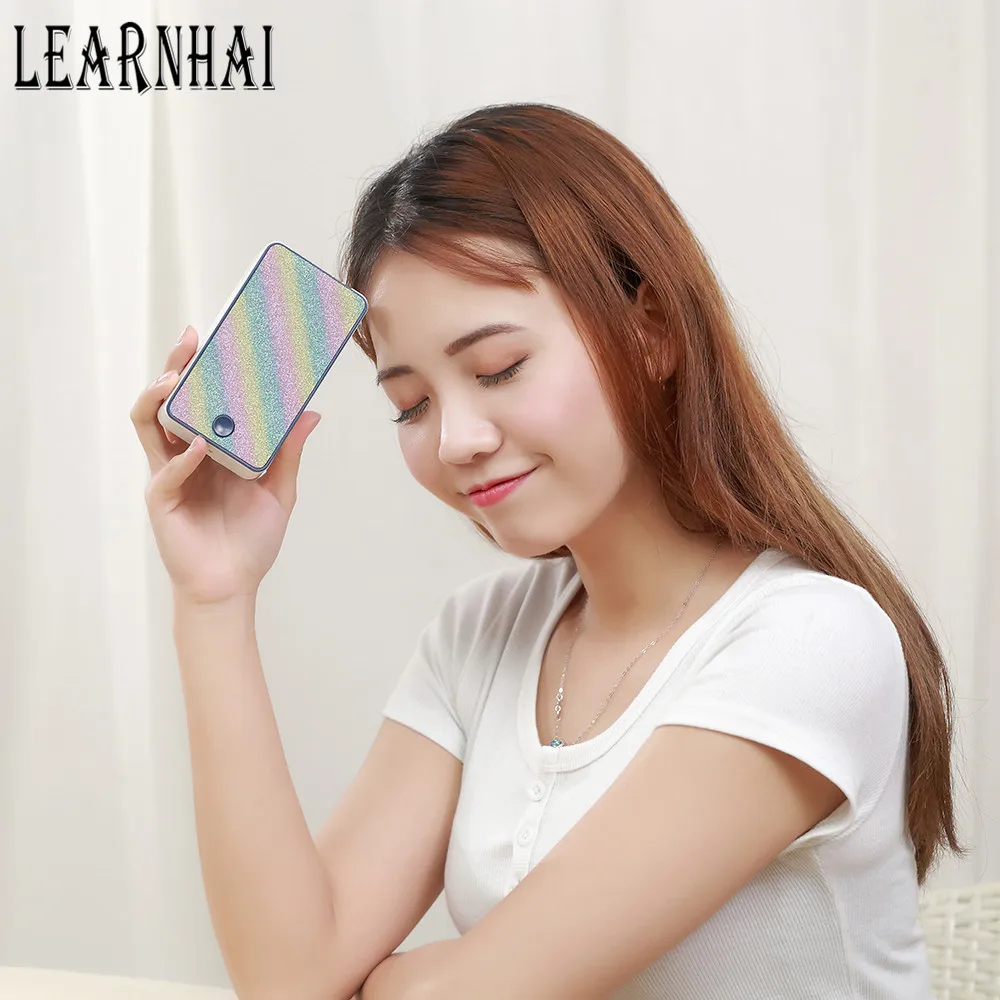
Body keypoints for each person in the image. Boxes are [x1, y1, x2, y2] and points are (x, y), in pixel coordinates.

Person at [131, 103, 962, 1000]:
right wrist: (214, 598)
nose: (456, 439)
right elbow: (290, 979)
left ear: (650, 331)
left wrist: (404, 983)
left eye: (498, 368)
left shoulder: (811, 642)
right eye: (411, 404)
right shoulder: (481, 636)